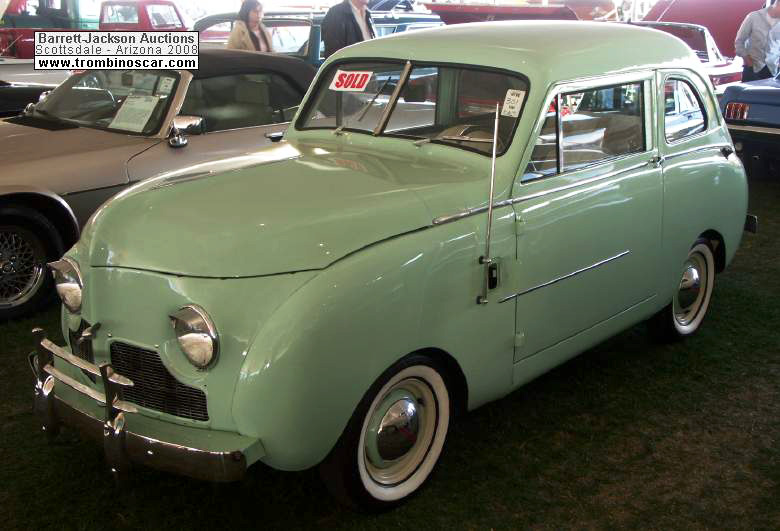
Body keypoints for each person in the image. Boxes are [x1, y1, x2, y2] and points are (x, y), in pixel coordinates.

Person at [735, 0, 780, 82]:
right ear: (777, 3)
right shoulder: (753, 16)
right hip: (752, 68)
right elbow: (739, 42)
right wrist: (748, 62)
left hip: (773, 70)